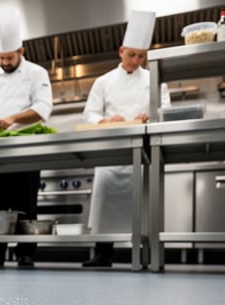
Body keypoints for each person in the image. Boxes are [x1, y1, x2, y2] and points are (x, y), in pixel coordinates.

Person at [0, 9, 53, 267]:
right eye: (1, 58)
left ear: (21, 51)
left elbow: (43, 108)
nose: (5, 62)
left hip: (25, 148)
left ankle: (25, 253)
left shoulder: (37, 73)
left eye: (9, 58)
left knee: (25, 202)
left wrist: (13, 118)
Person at [81, 10, 155, 268]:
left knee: (141, 206)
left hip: (142, 151)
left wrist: (151, 116)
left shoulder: (154, 79)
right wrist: (105, 121)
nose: (136, 61)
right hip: (110, 152)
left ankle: (145, 255)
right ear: (121, 51)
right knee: (105, 204)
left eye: (141, 56)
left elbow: (163, 109)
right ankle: (103, 254)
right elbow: (90, 114)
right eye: (131, 54)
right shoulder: (104, 81)